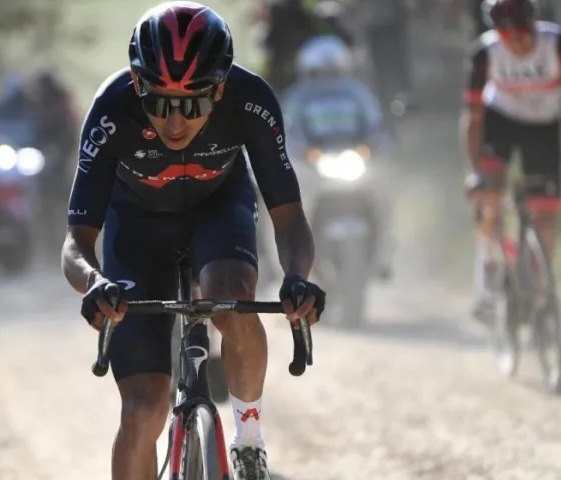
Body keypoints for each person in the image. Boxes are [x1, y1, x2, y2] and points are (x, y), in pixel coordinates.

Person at [61, 3, 327, 479]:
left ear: (220, 88)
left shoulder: (251, 99)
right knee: (143, 410)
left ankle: (249, 443)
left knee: (232, 298)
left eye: (194, 105)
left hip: (218, 209)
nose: (176, 123)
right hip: (137, 227)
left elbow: (288, 216)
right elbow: (76, 242)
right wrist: (94, 281)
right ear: (137, 84)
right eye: (160, 103)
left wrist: (295, 278)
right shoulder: (111, 109)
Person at [462, 0, 561, 319]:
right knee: (489, 193)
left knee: (546, 212)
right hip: (501, 120)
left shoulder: (555, 44)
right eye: (507, 34)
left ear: (535, 22)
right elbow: (474, 116)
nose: (517, 41)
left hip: (546, 124)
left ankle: (540, 288)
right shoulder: (484, 53)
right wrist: (475, 170)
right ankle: (490, 265)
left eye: (523, 31)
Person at [281, 35, 395, 278]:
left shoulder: (358, 94)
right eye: (320, 73)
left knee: (383, 197)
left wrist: (373, 147)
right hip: (313, 169)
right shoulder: (297, 98)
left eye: (333, 72)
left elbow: (376, 127)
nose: (327, 80)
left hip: (356, 164)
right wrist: (303, 152)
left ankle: (383, 255)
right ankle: (293, 259)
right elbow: (289, 132)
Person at [260, 0, 354, 92]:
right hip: (291, 84)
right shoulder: (281, 16)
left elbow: (347, 44)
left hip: (328, 79)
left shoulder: (327, 18)